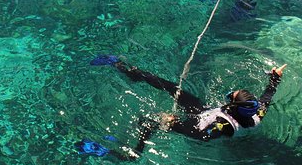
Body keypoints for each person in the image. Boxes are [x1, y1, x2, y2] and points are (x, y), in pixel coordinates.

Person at [76, 56, 286, 159]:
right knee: (171, 87)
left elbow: (201, 135)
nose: (230, 93)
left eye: (231, 96)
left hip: (198, 125)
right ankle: (131, 72)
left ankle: (128, 154)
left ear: (233, 106)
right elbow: (266, 98)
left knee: (147, 122)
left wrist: (174, 123)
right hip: (205, 112)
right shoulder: (256, 112)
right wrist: (275, 78)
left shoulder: (222, 125)